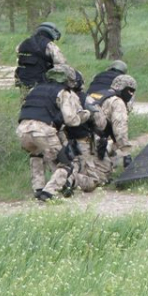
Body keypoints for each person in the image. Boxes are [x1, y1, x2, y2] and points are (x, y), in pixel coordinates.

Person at [15, 64, 91, 201]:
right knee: (66, 163)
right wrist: (85, 114)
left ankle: (38, 189)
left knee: (36, 156)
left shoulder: (35, 89)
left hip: (22, 129)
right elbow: (71, 120)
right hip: (43, 130)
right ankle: (49, 192)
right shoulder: (63, 92)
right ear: (68, 79)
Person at [14, 22, 66, 91]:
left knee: (26, 101)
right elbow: (62, 65)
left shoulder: (22, 43)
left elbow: (19, 60)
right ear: (51, 34)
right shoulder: (49, 45)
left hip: (23, 83)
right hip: (41, 85)